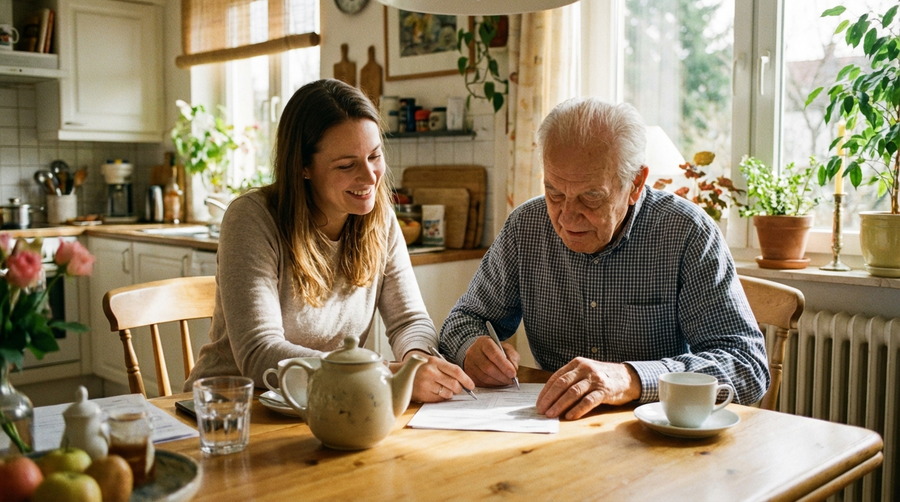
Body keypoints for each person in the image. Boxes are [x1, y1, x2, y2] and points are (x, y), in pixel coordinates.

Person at [439, 97, 769, 419]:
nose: (567, 217)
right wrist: (472, 348)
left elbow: (747, 365)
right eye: (554, 192)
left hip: (654, 433)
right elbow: (461, 321)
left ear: (635, 183)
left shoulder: (686, 232)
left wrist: (630, 378)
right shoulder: (526, 227)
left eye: (591, 197)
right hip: (555, 425)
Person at [185, 79, 474, 402]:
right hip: (230, 408)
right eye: (347, 165)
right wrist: (382, 373)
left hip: (328, 403)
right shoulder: (252, 218)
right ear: (303, 167)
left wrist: (416, 362)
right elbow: (259, 354)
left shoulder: (381, 220)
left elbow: (410, 321)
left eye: (375, 156)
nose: (370, 177)